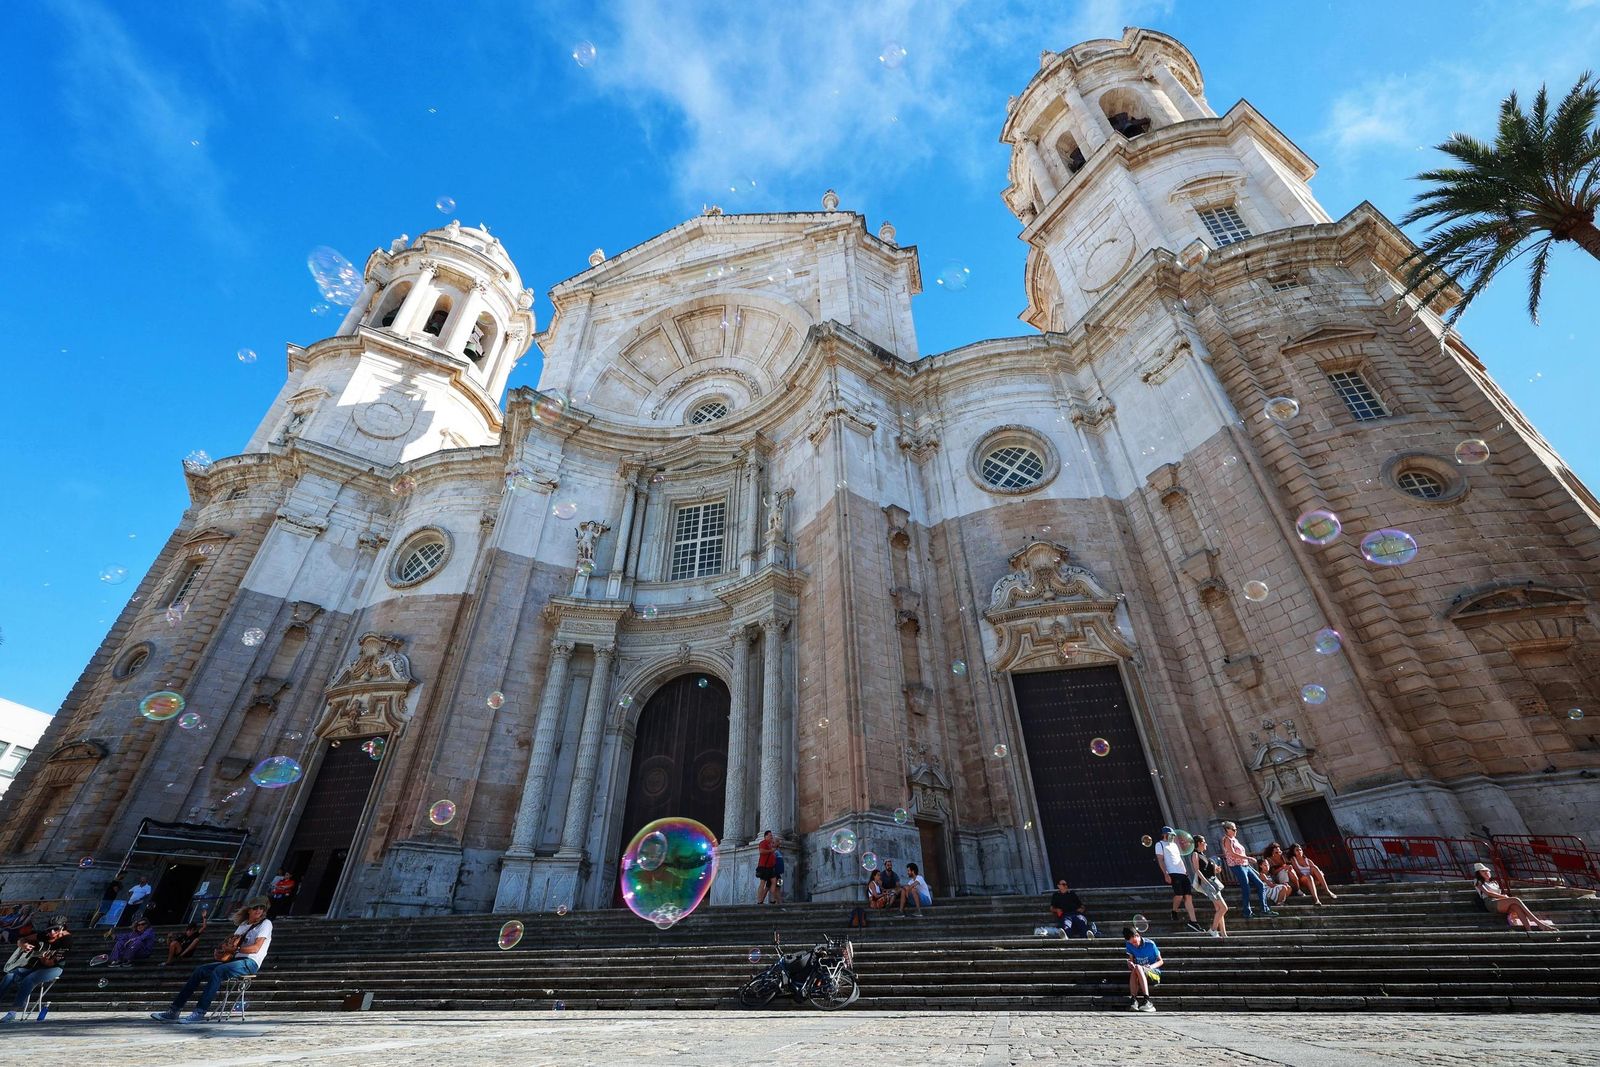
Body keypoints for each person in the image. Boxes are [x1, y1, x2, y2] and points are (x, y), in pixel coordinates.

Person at [151, 897, 273, 1024]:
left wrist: (234, 949)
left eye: (261, 908)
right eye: (255, 908)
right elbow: (231, 945)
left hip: (250, 962)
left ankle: (200, 1012)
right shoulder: (243, 925)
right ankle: (174, 1011)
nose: (259, 910)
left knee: (219, 971)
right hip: (235, 960)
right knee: (200, 970)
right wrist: (221, 953)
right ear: (249, 910)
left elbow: (255, 948)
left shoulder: (266, 923)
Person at [0, 916, 70, 1022]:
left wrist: (44, 960)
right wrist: (23, 945)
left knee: (29, 979)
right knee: (9, 976)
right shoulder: (45, 935)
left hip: (54, 968)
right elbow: (21, 940)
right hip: (36, 966)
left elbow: (51, 962)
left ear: (63, 928)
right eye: (49, 929)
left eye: (55, 929)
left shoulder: (67, 941)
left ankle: (12, 1013)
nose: (51, 932)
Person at [1473, 864, 1556, 930]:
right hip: (1490, 902)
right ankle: (1536, 921)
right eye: (1483, 872)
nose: (1486, 873)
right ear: (1479, 874)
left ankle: (1529, 930)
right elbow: (1488, 893)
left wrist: (1503, 897)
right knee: (1516, 899)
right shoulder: (1477, 881)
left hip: (1499, 902)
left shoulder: (1494, 882)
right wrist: (1503, 896)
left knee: (1516, 906)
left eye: (1487, 871)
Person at [1219, 822, 1274, 919]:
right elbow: (1232, 854)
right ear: (1228, 830)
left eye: (1236, 829)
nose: (1236, 831)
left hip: (1245, 865)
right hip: (1237, 865)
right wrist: (1248, 858)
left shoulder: (1234, 839)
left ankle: (1264, 909)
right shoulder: (1227, 840)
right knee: (1246, 888)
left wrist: (1247, 862)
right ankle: (1247, 912)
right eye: (1234, 829)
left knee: (1260, 885)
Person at [1153, 827, 1200, 930]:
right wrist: (1166, 874)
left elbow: (1178, 858)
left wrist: (1185, 870)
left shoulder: (1174, 845)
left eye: (1173, 835)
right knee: (1179, 895)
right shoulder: (1159, 844)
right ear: (1165, 834)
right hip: (1172, 872)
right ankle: (1174, 910)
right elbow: (1160, 860)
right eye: (1171, 835)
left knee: (1188, 896)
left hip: (1182, 872)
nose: (1173, 837)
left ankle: (1194, 921)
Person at [1190, 835, 1229, 937]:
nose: (1206, 844)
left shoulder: (1203, 855)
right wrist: (1206, 883)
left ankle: (1223, 934)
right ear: (1199, 843)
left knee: (1219, 909)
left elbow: (1206, 870)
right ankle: (1213, 929)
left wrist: (1216, 870)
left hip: (1213, 882)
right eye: (1204, 842)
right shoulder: (1195, 854)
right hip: (1207, 883)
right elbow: (1197, 870)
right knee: (1223, 908)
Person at [1123, 925, 1164, 1013]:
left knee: (1137, 967)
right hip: (1139, 973)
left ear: (1137, 935)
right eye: (1131, 943)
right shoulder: (1129, 945)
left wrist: (1151, 966)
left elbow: (1161, 961)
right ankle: (1134, 1000)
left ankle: (1147, 1000)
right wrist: (1129, 963)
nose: (1134, 945)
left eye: (1134, 942)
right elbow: (1131, 961)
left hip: (1153, 973)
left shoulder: (1150, 944)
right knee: (1136, 968)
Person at [754, 832, 779, 904]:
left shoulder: (771, 845)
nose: (771, 837)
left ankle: (773, 900)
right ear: (766, 836)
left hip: (772, 869)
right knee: (763, 883)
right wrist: (771, 850)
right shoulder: (763, 843)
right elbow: (761, 851)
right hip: (764, 867)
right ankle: (760, 901)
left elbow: (777, 844)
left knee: (775, 882)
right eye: (770, 835)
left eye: (772, 835)